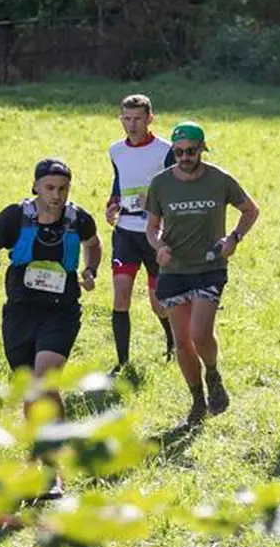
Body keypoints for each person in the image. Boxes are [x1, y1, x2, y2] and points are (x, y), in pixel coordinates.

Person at [0, 158, 101, 498]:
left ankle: (52, 470)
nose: (56, 196)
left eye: (62, 189)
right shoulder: (15, 217)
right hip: (20, 313)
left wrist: (90, 271)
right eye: (50, 188)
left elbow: (94, 243)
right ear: (36, 186)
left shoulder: (78, 219)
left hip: (61, 311)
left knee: (45, 381)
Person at [144, 122, 259, 428]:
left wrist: (233, 239)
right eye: (179, 152)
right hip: (174, 270)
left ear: (201, 150)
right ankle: (197, 399)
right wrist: (159, 247)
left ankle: (212, 371)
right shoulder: (161, 184)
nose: (184, 157)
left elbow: (250, 210)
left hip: (210, 266)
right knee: (182, 342)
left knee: (199, 333)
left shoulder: (219, 179)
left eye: (191, 151)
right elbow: (151, 227)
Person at [106, 93, 176, 371]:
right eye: (127, 118)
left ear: (150, 119)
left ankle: (172, 343)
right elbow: (119, 182)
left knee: (158, 303)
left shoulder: (165, 150)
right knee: (121, 295)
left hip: (156, 233)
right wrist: (112, 205)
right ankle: (122, 363)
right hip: (125, 232)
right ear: (121, 118)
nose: (132, 125)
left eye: (137, 119)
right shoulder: (115, 151)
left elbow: (176, 187)